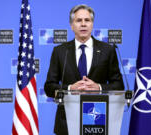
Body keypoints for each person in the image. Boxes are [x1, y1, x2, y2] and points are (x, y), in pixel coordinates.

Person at [44, 4, 124, 135]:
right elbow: (49, 87)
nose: (83, 24)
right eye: (78, 20)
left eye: (87, 20)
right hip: (66, 122)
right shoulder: (60, 51)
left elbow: (119, 85)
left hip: (97, 119)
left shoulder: (107, 51)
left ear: (92, 24)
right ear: (71, 25)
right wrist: (70, 88)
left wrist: (98, 87)